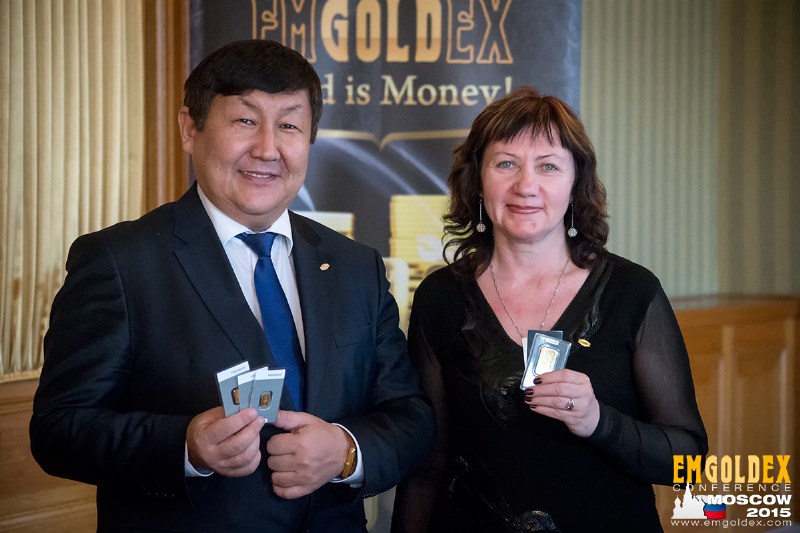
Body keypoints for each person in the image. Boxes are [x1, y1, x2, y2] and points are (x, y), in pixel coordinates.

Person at [30, 39, 434, 532]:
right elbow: (59, 428)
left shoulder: (355, 265)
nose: (267, 148)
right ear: (190, 128)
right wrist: (185, 445)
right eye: (245, 120)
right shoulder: (119, 262)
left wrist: (346, 452)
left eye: (289, 125)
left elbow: (410, 417)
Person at [391, 87, 707, 533]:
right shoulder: (439, 297)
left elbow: (688, 461)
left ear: (575, 184)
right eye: (506, 164)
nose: (526, 186)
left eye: (548, 166)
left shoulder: (632, 291)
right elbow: (428, 464)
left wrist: (598, 421)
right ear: (477, 180)